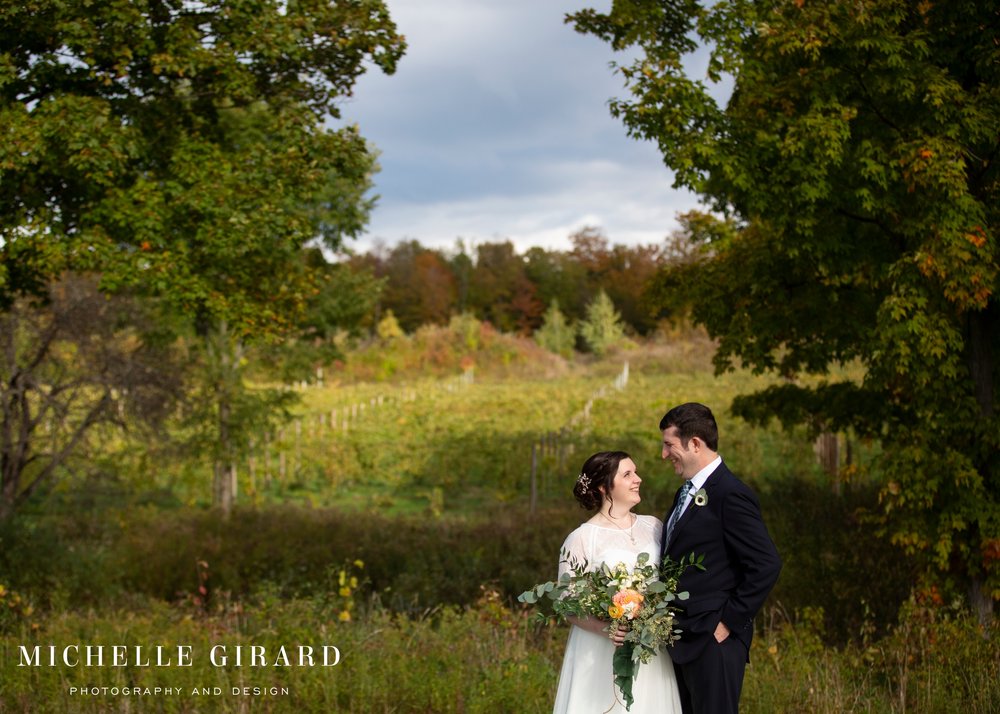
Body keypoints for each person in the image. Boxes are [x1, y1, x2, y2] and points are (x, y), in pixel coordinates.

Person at [658, 403, 782, 714]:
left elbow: (766, 563)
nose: (664, 454)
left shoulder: (730, 493)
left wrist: (728, 621)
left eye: (669, 444)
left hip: (714, 640)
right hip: (684, 637)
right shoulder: (685, 493)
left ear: (695, 443)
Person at [552, 450, 683, 714]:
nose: (638, 479)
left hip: (651, 651)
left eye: (635, 472)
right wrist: (607, 628)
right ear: (604, 487)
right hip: (602, 653)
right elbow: (567, 604)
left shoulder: (654, 526)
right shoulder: (581, 539)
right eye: (628, 474)